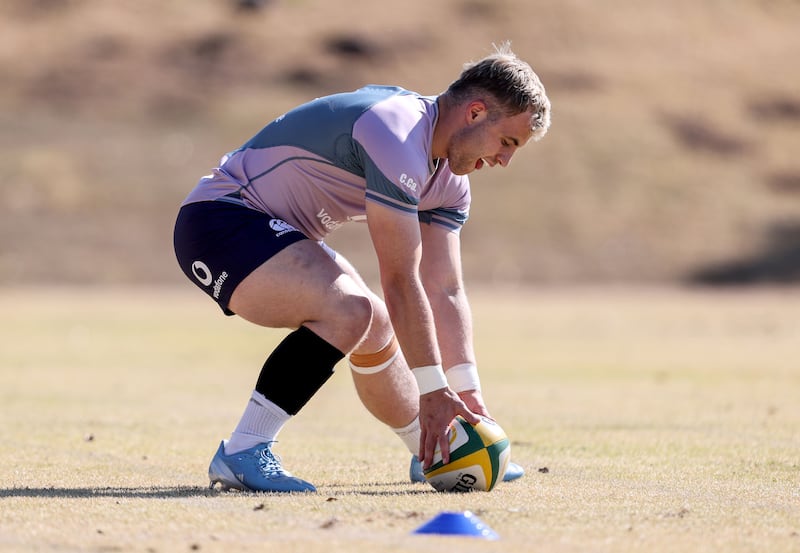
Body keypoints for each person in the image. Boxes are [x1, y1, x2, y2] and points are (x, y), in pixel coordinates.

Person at [173, 41, 551, 492]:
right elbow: (399, 278)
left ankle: (433, 452)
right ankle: (243, 450)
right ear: (474, 113)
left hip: (269, 229)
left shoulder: (450, 181)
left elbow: (444, 288)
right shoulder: (397, 129)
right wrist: (432, 390)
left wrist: (467, 392)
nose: (505, 161)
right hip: (219, 219)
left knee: (376, 328)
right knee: (352, 310)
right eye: (507, 142)